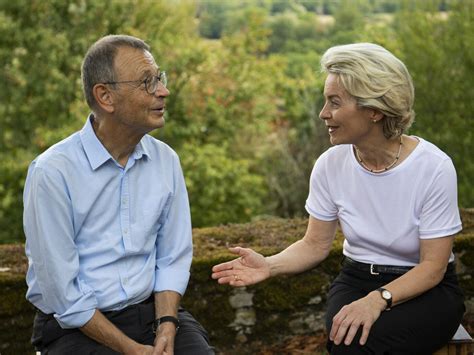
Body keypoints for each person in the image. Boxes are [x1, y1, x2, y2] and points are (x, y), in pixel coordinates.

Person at [212, 43, 465, 354]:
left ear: (374, 109)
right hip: (356, 279)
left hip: (427, 290)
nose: (323, 114)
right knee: (348, 338)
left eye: (334, 102)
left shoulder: (433, 167)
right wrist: (269, 264)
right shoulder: (330, 164)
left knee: (364, 341)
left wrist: (377, 300)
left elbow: (432, 267)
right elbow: (314, 245)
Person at [24, 34, 214, 354]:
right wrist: (131, 349)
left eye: (159, 79)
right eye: (146, 82)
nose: (163, 91)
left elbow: (172, 257)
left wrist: (167, 325)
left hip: (151, 313)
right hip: (76, 326)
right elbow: (64, 295)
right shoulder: (52, 173)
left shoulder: (166, 160)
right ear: (105, 97)